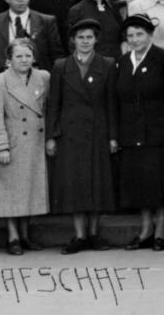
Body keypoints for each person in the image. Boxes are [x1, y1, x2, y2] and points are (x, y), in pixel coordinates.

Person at [108, 13, 164, 249]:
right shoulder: (120, 62)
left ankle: (161, 231)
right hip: (130, 133)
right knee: (138, 184)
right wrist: (113, 135)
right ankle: (145, 231)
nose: (134, 39)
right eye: (130, 35)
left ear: (150, 35)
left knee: (160, 182)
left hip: (158, 133)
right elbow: (113, 100)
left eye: (139, 34)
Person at [41, 18, 117, 252]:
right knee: (75, 185)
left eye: (90, 37)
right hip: (70, 134)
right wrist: (52, 136)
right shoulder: (61, 66)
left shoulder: (107, 63)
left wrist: (113, 136)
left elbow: (112, 104)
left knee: (97, 183)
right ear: (73, 40)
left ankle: (94, 234)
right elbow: (54, 103)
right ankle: (79, 236)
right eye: (81, 37)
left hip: (98, 132)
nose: (85, 42)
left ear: (96, 40)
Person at [0, 37, 52, 252]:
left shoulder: (44, 77)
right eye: (18, 56)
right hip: (12, 143)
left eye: (28, 56)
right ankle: (12, 237)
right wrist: (0, 146)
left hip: (36, 143)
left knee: (30, 190)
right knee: (10, 192)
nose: (24, 60)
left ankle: (25, 234)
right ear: (9, 59)